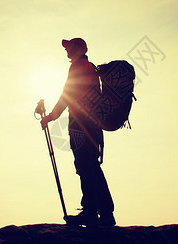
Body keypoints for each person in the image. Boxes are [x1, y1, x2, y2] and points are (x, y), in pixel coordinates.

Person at [40, 38, 115, 226]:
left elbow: (68, 93)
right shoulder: (89, 67)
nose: (67, 49)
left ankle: (91, 212)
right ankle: (105, 213)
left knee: (85, 167)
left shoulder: (79, 66)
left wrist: (51, 116)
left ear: (81, 48)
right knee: (91, 167)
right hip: (92, 125)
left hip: (81, 125)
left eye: (71, 46)